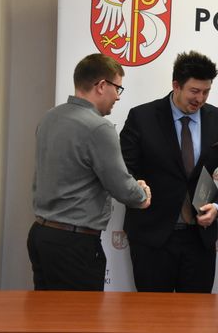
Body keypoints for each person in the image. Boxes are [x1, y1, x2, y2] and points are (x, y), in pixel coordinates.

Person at [120, 50, 218, 293]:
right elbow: (125, 170)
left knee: (198, 314)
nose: (200, 99)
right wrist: (138, 190)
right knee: (152, 313)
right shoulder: (142, 117)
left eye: (206, 91)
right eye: (194, 91)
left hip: (200, 239)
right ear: (176, 85)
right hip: (152, 238)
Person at [27, 53, 152, 291]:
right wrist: (142, 194)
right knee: (79, 314)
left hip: (41, 235)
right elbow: (121, 187)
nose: (118, 96)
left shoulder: (50, 117)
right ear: (102, 85)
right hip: (74, 243)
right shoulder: (98, 127)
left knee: (46, 313)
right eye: (117, 88)